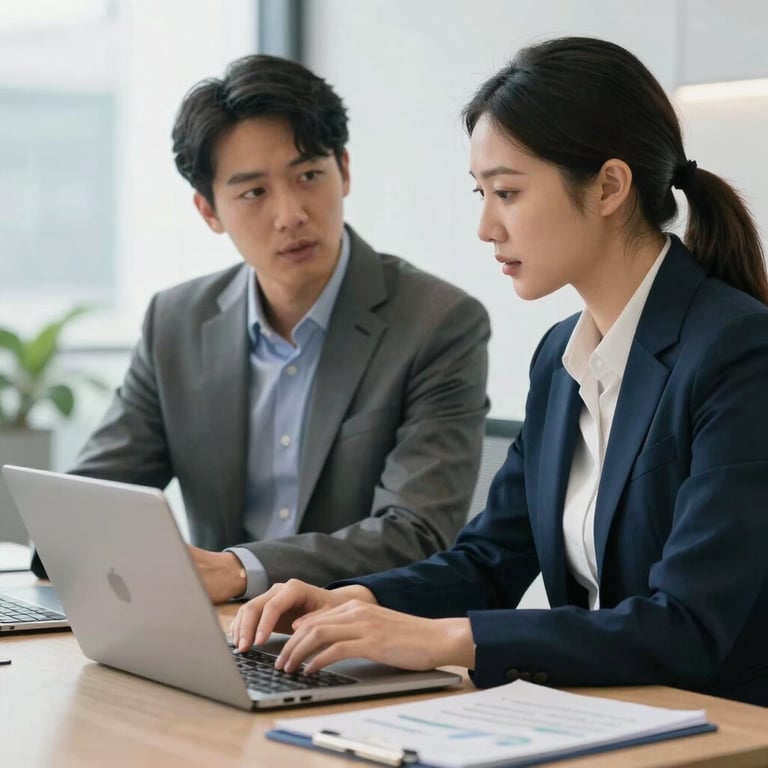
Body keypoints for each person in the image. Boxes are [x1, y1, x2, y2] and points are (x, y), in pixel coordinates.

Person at [230, 37, 768, 707]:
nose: (486, 226)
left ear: (609, 187)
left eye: (507, 192)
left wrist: (445, 640)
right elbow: (488, 562)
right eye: (481, 192)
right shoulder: (561, 357)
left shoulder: (738, 352)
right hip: (604, 715)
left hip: (723, 728)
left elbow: (685, 627)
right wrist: (355, 599)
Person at [32, 54, 490, 603]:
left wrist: (240, 569)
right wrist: (67, 540)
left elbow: (416, 532)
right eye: (254, 192)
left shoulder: (438, 323)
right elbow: (91, 501)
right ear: (209, 211)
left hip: (356, 630)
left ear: (344, 170)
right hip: (215, 632)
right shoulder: (176, 322)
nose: (290, 213)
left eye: (308, 176)